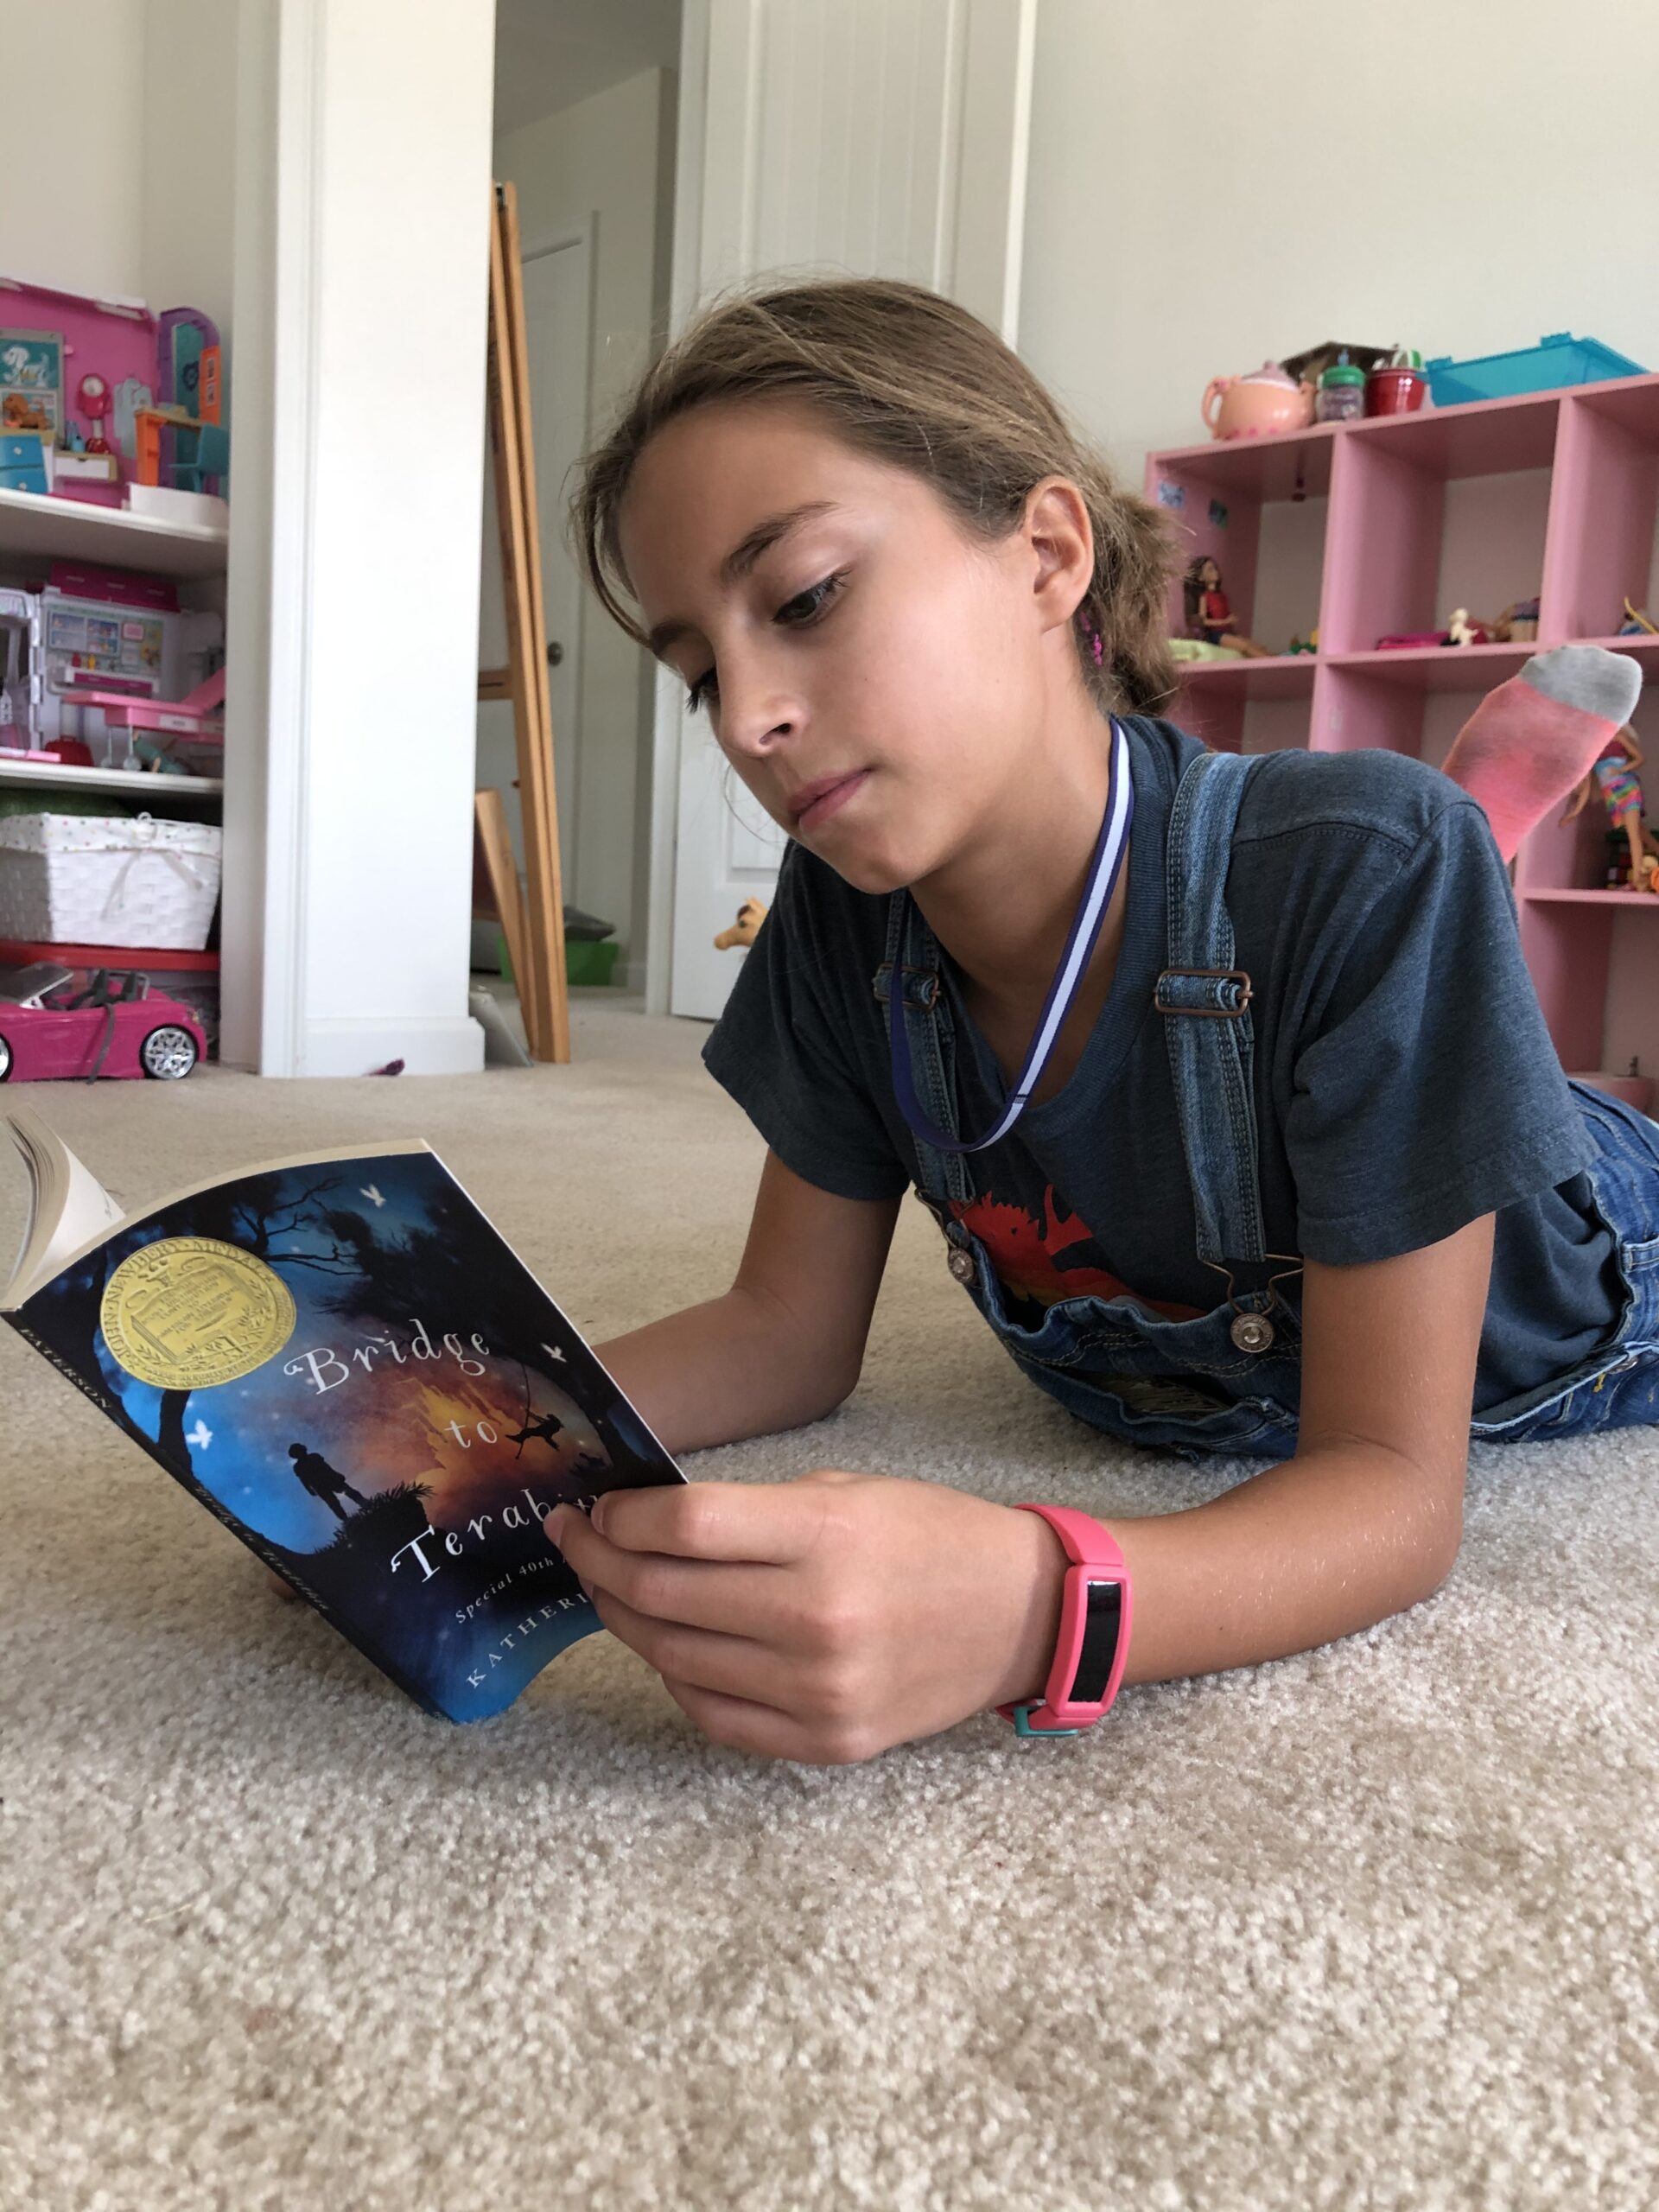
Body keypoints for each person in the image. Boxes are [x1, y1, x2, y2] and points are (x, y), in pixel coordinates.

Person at [524, 276, 1659, 1771]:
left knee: (1389, 862)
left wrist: (1034, 1604)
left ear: (1049, 553)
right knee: (1387, 890)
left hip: (1592, 1251)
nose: (748, 717)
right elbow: (784, 1336)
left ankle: (1458, 871)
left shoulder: (1352, 867)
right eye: (698, 676)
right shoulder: (842, 917)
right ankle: (1454, 916)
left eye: (803, 598)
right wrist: (490, 1440)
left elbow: (1391, 1490)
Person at [1182, 553, 1272, 658]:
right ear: (1201, 577)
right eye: (1210, 569)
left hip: (1228, 632)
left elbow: (1225, 614)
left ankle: (1280, 660)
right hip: (1215, 635)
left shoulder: (1222, 596)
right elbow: (1204, 621)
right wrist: (1224, 622)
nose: (1215, 571)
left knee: (1258, 647)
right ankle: (1275, 664)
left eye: (1215, 568)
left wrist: (1230, 619)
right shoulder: (1204, 597)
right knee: (1245, 646)